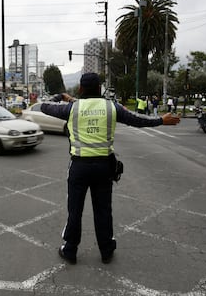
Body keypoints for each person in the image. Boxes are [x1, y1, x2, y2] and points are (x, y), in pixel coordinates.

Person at [41, 73, 180, 265]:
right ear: (100, 88)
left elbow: (44, 107)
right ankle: (106, 251)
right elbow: (137, 120)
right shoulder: (111, 107)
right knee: (103, 210)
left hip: (79, 167)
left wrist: (60, 96)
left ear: (80, 89)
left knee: (75, 210)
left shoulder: (72, 108)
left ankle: (70, 250)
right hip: (103, 167)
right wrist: (161, 121)